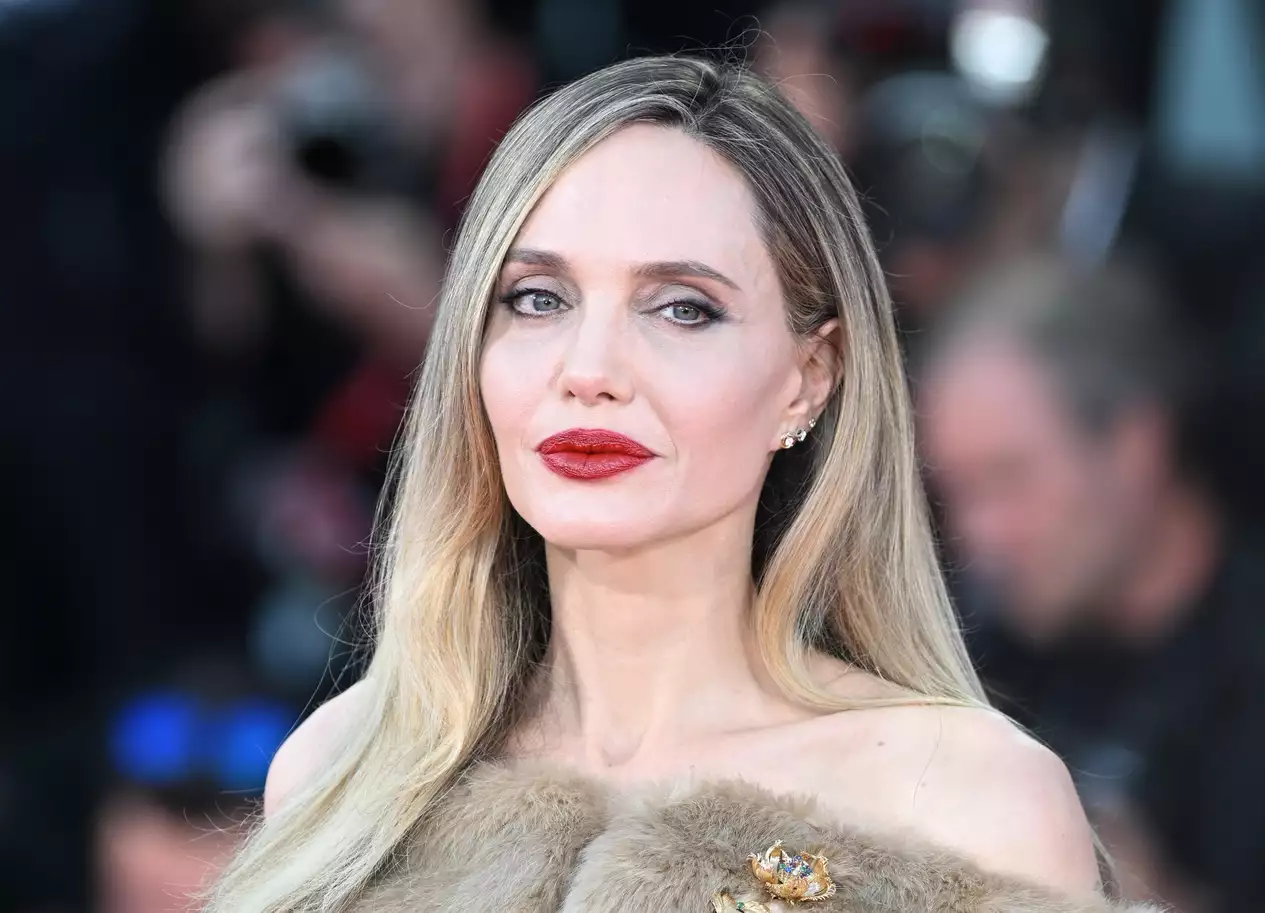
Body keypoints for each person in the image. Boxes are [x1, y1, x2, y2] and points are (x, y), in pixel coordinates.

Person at [203, 56, 1152, 913]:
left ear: (808, 377)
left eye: (682, 309)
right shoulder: (341, 778)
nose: (590, 369)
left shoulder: (968, 805)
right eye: (538, 298)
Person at [917, 252, 1265, 911]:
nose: (981, 535)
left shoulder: (1257, 667)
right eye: (959, 494)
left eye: (1009, 478)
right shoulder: (984, 656)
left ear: (1136, 446)